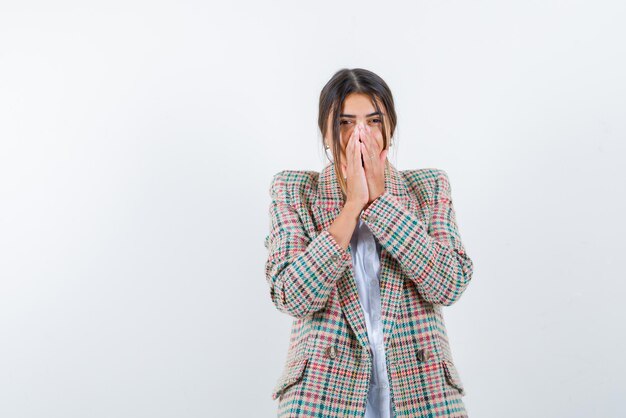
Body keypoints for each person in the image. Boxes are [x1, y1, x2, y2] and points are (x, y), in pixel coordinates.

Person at [264, 68, 474, 418]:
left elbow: (449, 285)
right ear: (326, 134)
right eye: (345, 123)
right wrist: (352, 207)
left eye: (373, 121)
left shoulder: (428, 187)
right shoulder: (294, 190)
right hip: (324, 394)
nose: (360, 134)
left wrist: (380, 204)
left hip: (421, 391)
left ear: (389, 128)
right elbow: (291, 295)